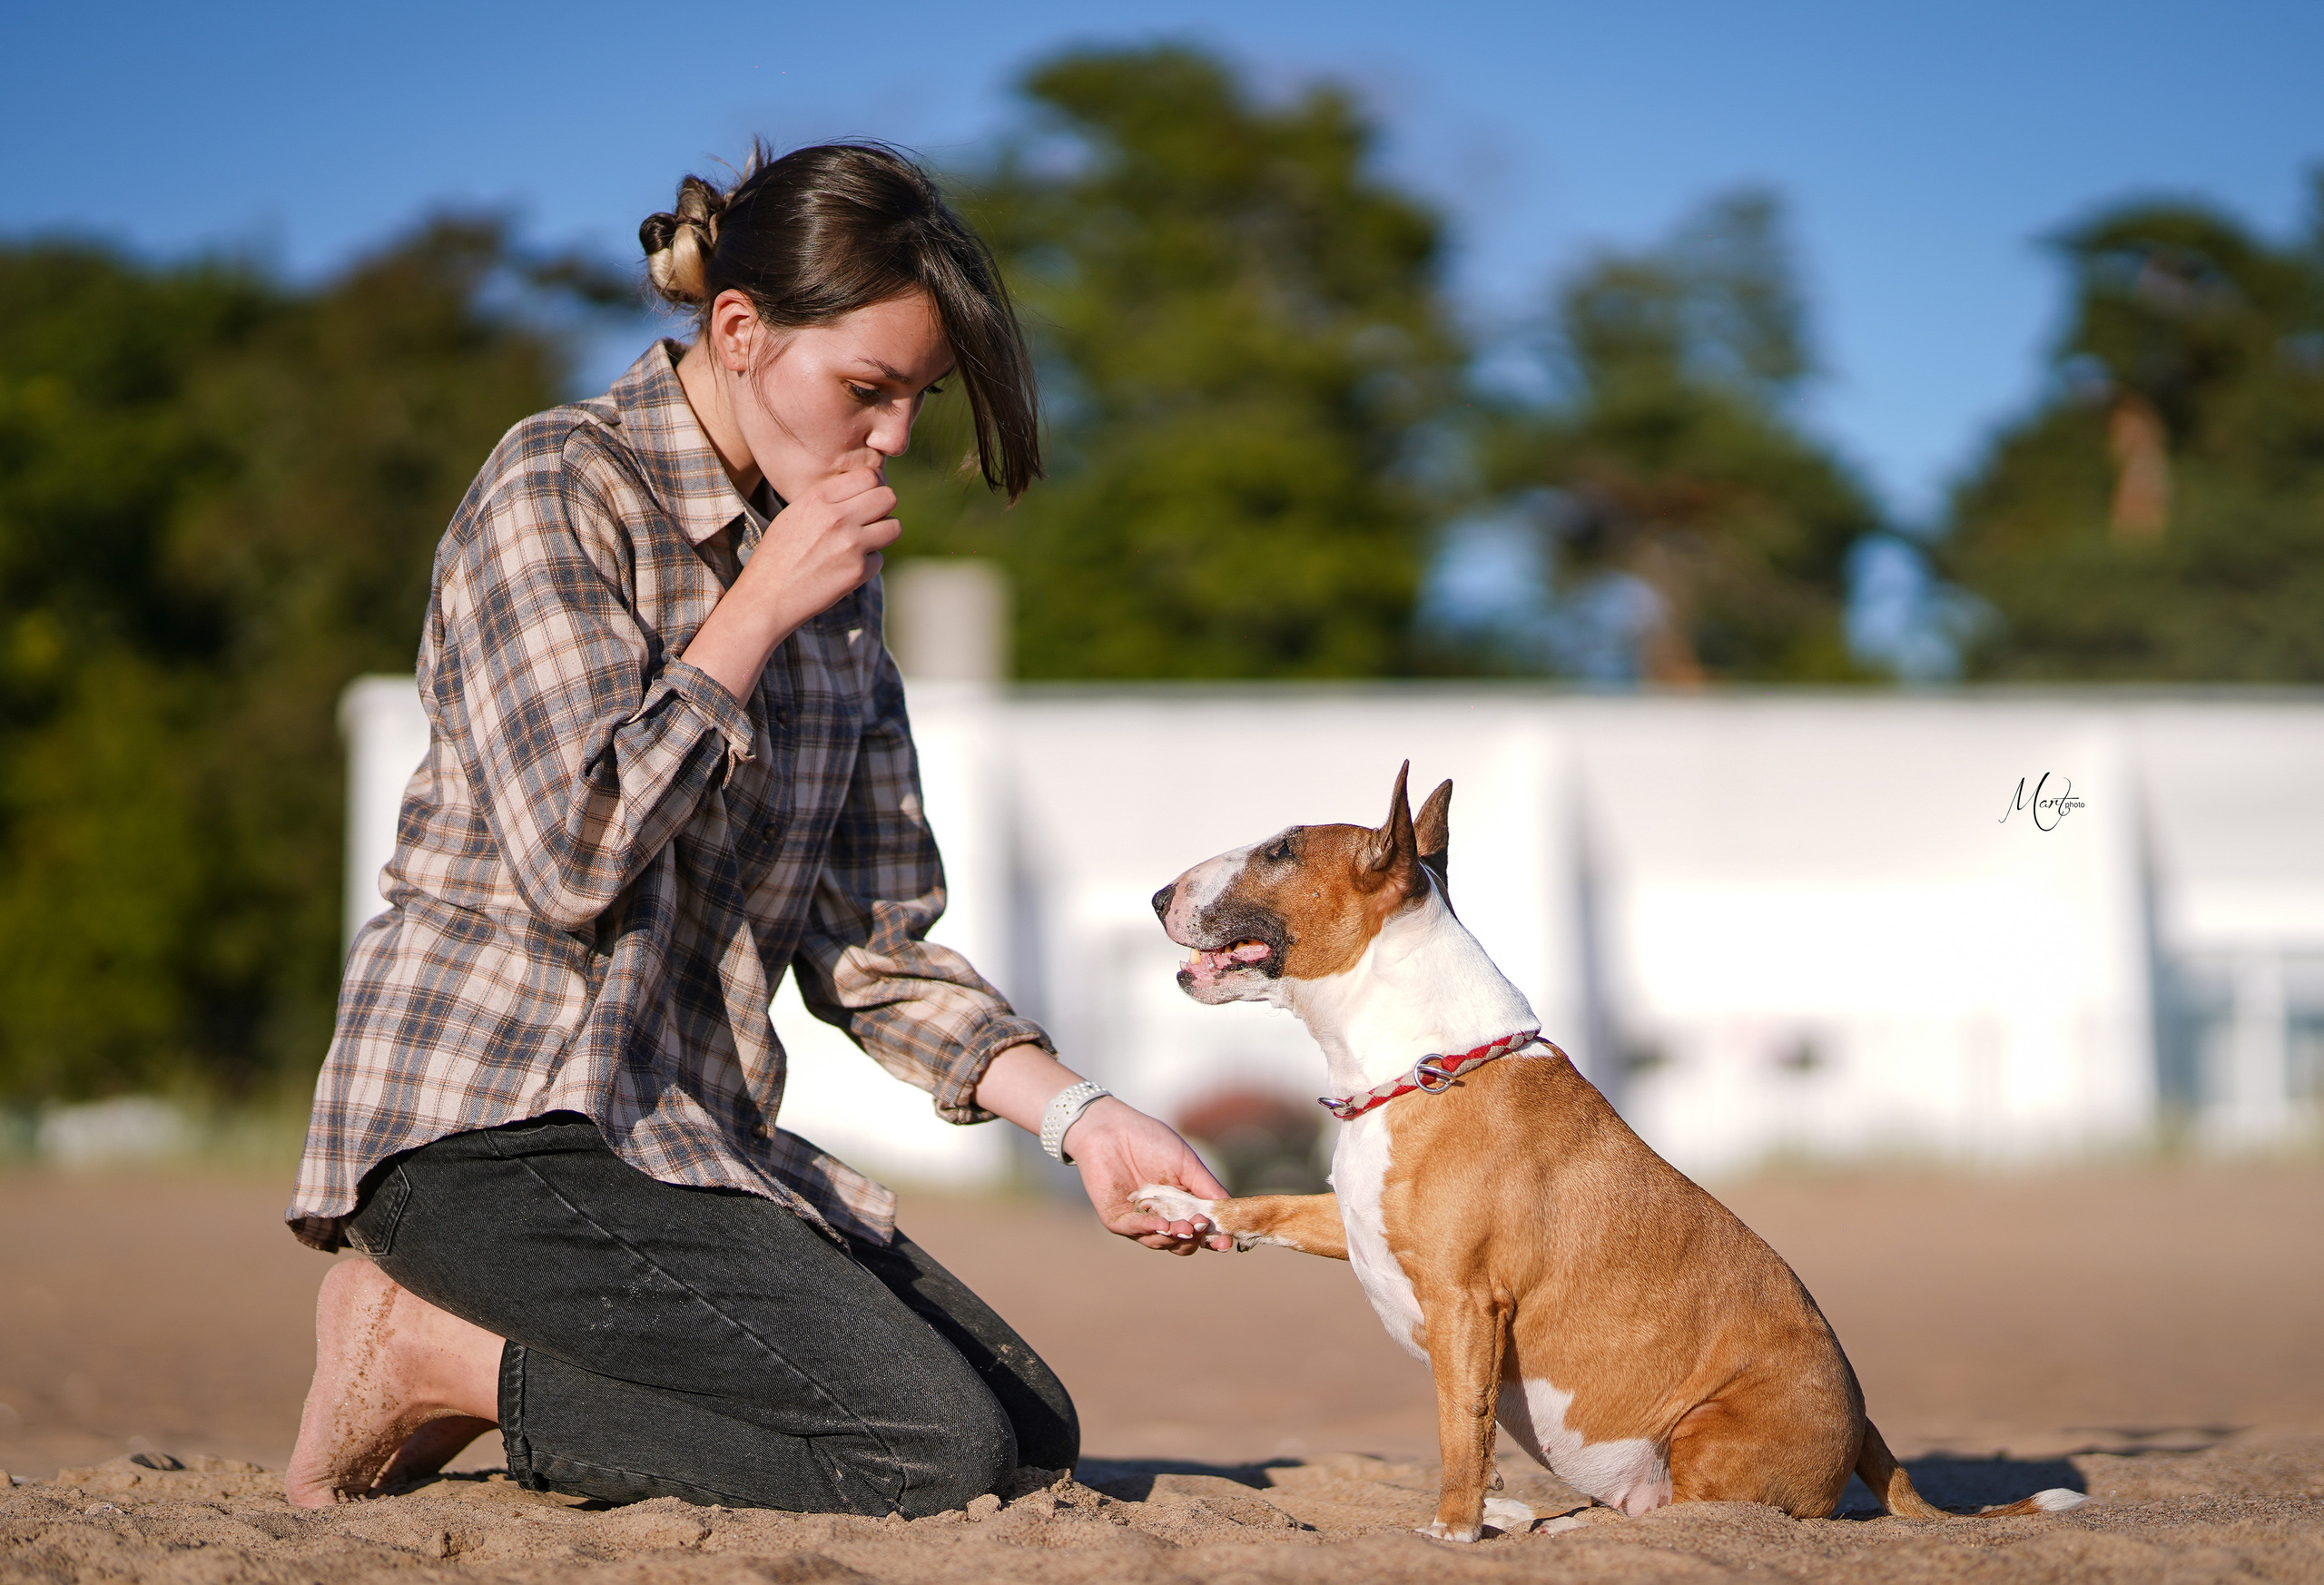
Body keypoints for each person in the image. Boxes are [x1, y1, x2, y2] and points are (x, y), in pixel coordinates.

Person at [282, 142, 1229, 1517]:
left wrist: (1078, 1118)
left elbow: (869, 944)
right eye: (868, 387)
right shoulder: (560, 485)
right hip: (483, 1129)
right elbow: (571, 856)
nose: (896, 435)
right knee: (929, 1454)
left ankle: (483, 1361)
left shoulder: (837, 587)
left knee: (1027, 1433)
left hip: (682, 1136)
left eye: (922, 397)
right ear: (738, 328)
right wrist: (750, 615)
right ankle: (426, 1349)